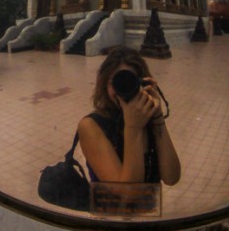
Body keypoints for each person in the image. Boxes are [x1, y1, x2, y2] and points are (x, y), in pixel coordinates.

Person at [78, 46, 181, 188]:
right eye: (116, 82)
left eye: (129, 82)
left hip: (149, 209)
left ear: (143, 84)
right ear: (105, 85)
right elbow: (127, 194)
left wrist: (158, 118)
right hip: (111, 208)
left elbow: (172, 177)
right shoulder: (91, 126)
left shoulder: (147, 118)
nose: (122, 91)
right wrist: (133, 128)